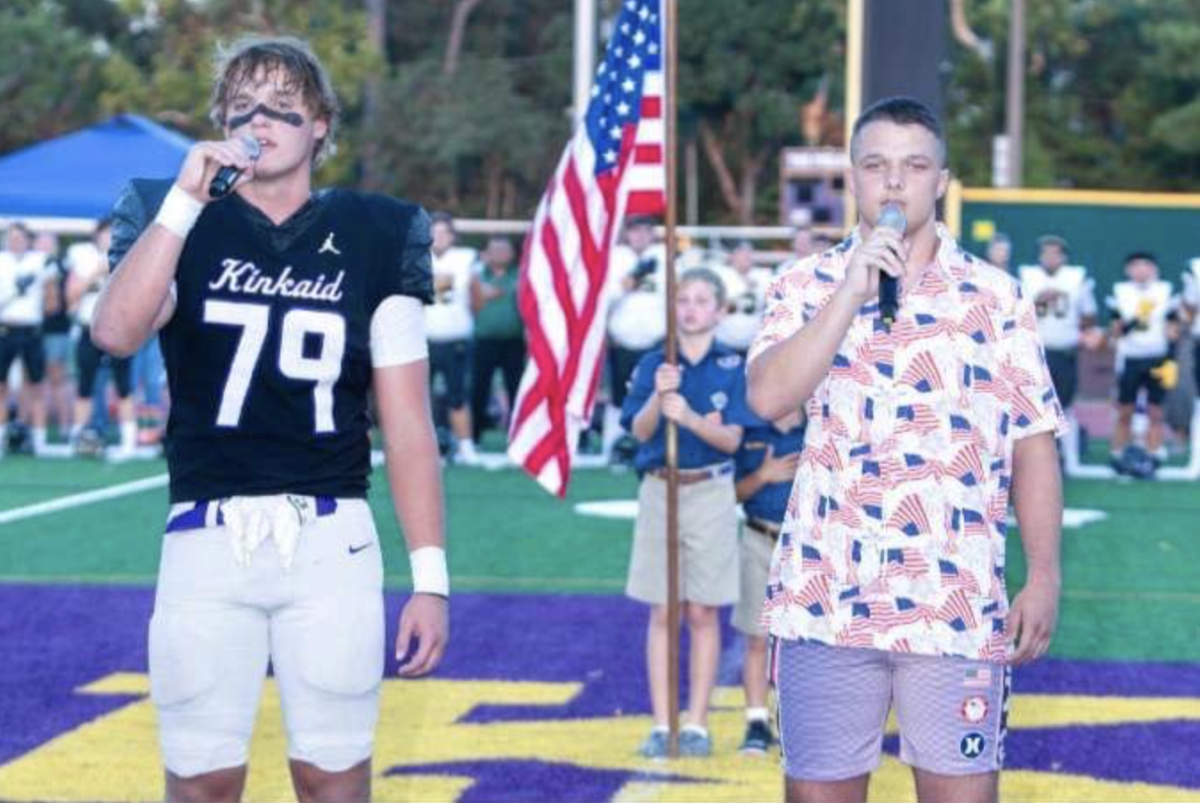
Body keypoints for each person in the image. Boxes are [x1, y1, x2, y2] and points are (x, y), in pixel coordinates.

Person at [90, 35, 448, 803]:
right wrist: (186, 202)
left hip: (331, 539)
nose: (264, 117)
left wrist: (431, 578)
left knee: (333, 780)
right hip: (204, 534)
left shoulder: (377, 233)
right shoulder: (173, 216)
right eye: (245, 103)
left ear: (320, 121)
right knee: (200, 783)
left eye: (285, 103)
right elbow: (115, 332)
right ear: (222, 119)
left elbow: (409, 423)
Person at [747, 96, 1065, 803]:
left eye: (914, 166)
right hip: (824, 596)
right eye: (876, 166)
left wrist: (1043, 573)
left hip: (954, 602)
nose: (894, 183)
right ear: (854, 181)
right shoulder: (803, 285)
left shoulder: (997, 295)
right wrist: (851, 289)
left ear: (942, 180)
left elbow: (1034, 443)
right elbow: (768, 398)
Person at [622, 266, 756, 758]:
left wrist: (692, 419)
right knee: (663, 609)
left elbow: (732, 439)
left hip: (710, 492)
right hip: (661, 489)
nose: (691, 308)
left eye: (702, 300)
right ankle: (662, 722)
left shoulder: (732, 366)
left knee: (703, 610)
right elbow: (637, 431)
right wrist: (661, 399)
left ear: (720, 311)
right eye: (683, 300)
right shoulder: (654, 363)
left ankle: (696, 722)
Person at [732, 407, 805, 755]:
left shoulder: (819, 425)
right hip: (758, 537)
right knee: (756, 636)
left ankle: (798, 720)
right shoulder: (748, 431)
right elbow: (732, 493)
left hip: (806, 545)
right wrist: (763, 475)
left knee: (804, 641)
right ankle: (757, 720)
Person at [66, 220, 140, 458]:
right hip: (88, 328)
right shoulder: (84, 261)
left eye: (112, 235)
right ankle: (77, 438)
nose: (108, 239)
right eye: (104, 235)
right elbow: (70, 297)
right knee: (84, 385)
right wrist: (95, 274)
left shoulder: (129, 258)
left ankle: (129, 442)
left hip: (119, 328)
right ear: (96, 237)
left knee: (123, 385)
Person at [1106, 252, 1177, 477]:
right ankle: (1118, 455)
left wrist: (1171, 360)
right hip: (1130, 357)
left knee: (1155, 412)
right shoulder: (1119, 291)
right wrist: (1136, 318)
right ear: (1128, 270)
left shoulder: (1165, 290)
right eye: (1136, 266)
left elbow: (1173, 329)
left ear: (1154, 269)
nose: (1141, 270)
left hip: (1157, 356)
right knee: (1125, 410)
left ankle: (1154, 455)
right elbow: (1115, 331)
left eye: (1146, 265)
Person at [603, 216, 667, 460]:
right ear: (627, 234)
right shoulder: (615, 260)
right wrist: (625, 285)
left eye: (645, 231)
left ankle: (655, 448)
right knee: (619, 395)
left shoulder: (665, 257)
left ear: (652, 234)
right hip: (622, 340)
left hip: (656, 341)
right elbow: (604, 300)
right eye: (635, 231)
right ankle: (614, 447)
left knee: (656, 394)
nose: (640, 236)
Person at [1017, 234, 1102, 414]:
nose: (1050, 258)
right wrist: (1039, 302)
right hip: (1034, 352)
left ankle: (1065, 442)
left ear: (1064, 257)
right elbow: (1015, 314)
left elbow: (1089, 315)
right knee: (1035, 406)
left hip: (1066, 351)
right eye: (1046, 254)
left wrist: (1083, 333)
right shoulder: (1026, 277)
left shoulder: (1077, 279)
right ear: (1039, 256)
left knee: (1065, 405)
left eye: (1055, 254)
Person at [426, 211, 478, 464]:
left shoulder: (465, 258)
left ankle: (466, 447)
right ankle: (419, 448)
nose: (439, 237)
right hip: (421, 338)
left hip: (455, 337)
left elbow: (477, 297)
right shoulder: (414, 256)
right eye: (435, 232)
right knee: (417, 398)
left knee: (458, 395)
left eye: (444, 232)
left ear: (453, 236)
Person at [468, 235, 525, 449]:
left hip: (514, 342)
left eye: (504, 249)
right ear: (487, 253)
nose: (500, 253)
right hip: (483, 341)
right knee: (478, 389)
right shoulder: (475, 276)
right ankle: (473, 438)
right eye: (496, 249)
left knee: (516, 390)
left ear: (511, 253)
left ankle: (519, 439)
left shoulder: (521, 275)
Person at [0, 222, 51, 456]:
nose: (16, 241)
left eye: (20, 237)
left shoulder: (38, 261)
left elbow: (52, 293)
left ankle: (39, 440)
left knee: (36, 385)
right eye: (12, 237)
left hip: (32, 330)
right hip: (5, 328)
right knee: (1, 387)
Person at [715, 240, 775, 356]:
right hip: (724, 344)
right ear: (732, 256)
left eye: (749, 252)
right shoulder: (720, 275)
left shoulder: (763, 275)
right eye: (742, 252)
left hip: (755, 347)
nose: (746, 256)